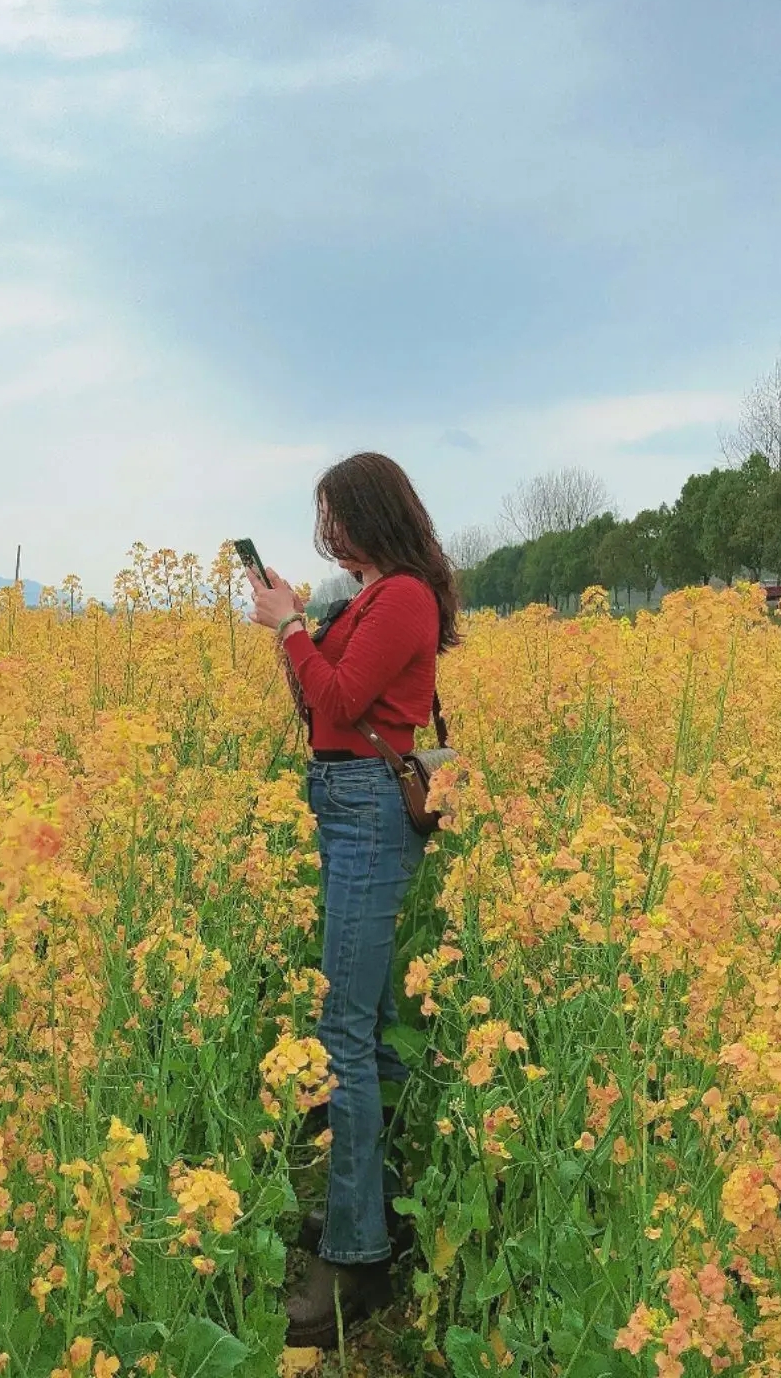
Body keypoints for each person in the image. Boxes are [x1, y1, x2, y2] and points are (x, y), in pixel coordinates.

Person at [247, 452, 461, 1347]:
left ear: (368, 514)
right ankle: (383, 1203)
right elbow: (318, 708)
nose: (326, 531)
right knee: (363, 1029)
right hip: (345, 803)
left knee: (345, 1034)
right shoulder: (369, 596)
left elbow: (339, 692)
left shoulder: (403, 595)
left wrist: (293, 623)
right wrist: (291, 624)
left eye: (334, 515)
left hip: (369, 811)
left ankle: (358, 1255)